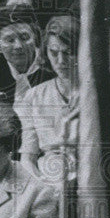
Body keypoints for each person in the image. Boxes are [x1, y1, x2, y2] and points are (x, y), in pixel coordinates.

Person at [16, 14, 81, 185]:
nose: (60, 61)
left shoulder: (96, 94)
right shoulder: (34, 96)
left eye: (68, 53)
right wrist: (41, 187)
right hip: (47, 180)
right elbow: (28, 158)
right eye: (54, 53)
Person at [0, 4, 55, 103]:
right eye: (10, 40)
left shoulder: (51, 65)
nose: (18, 46)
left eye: (25, 37)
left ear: (35, 38)